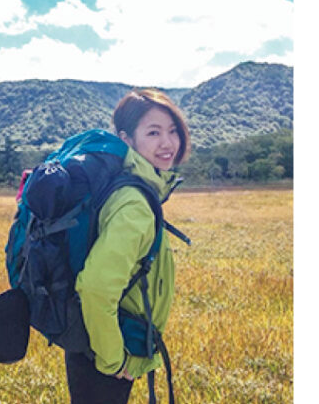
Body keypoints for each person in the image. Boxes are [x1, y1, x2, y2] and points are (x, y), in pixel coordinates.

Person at [67, 88, 191, 403]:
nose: (168, 142)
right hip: (107, 348)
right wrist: (113, 360)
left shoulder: (127, 187)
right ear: (127, 139)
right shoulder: (134, 203)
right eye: (153, 132)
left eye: (173, 131)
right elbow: (96, 287)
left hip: (93, 338)